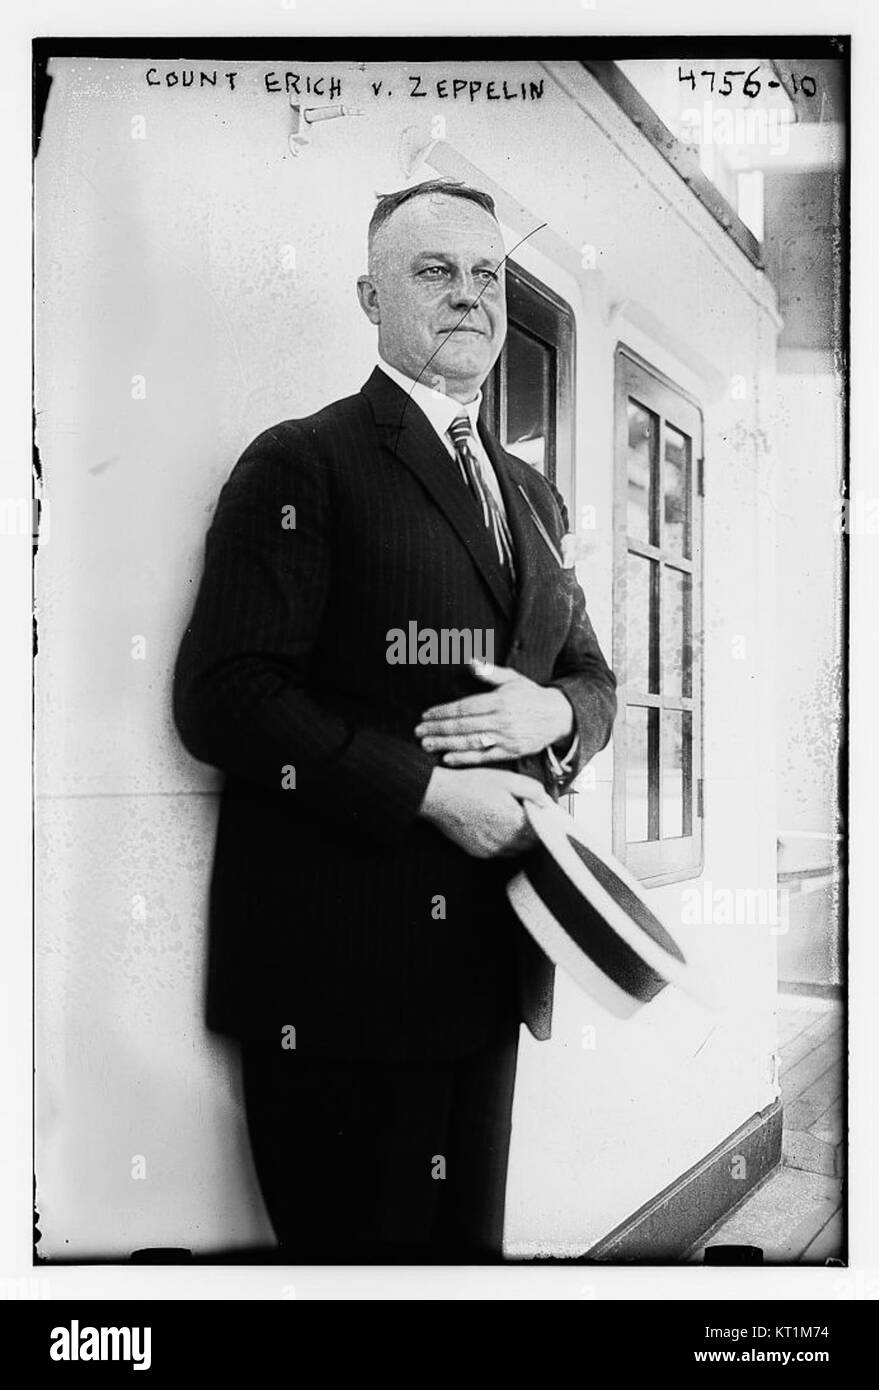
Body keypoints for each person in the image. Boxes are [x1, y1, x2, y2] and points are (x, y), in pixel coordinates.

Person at [172, 177, 617, 1262]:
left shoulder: (535, 499)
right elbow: (223, 694)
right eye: (435, 271)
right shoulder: (303, 463)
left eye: (486, 274)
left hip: (492, 975)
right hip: (342, 992)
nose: (469, 295)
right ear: (369, 297)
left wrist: (554, 709)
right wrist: (432, 793)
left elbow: (598, 682)